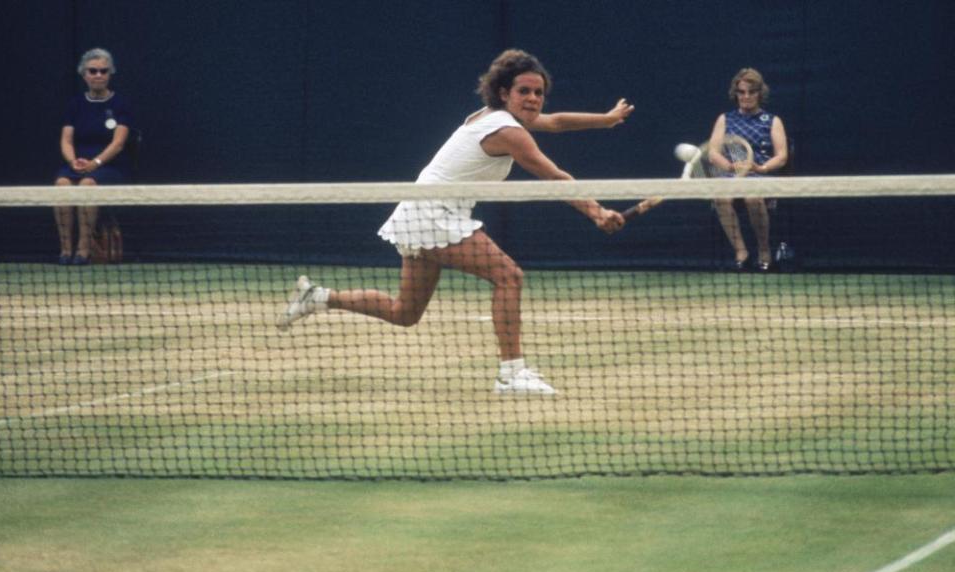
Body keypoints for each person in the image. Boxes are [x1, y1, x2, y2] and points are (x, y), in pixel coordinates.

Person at [277, 49, 632, 395]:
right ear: (504, 93)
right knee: (509, 277)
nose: (533, 99)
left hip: (420, 212)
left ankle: (318, 297)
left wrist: (606, 118)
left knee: (405, 313)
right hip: (433, 214)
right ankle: (511, 374)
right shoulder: (507, 130)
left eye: (538, 92)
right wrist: (596, 211)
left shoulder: (496, 117)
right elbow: (554, 177)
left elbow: (555, 122)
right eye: (524, 91)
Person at [54, 48, 132, 265]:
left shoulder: (120, 105)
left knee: (87, 185)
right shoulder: (75, 104)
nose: (98, 75)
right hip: (77, 164)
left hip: (109, 167)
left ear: (110, 74)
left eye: (103, 71)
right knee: (61, 185)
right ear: (84, 74)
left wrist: (95, 163)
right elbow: (66, 140)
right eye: (93, 71)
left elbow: (118, 144)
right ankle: (65, 250)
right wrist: (73, 161)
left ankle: (84, 250)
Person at [707, 67, 788, 271]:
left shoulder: (772, 121)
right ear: (736, 93)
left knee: (753, 197)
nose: (746, 96)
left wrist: (761, 168)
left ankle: (763, 250)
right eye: (742, 92)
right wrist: (729, 166)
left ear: (760, 93)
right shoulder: (725, 119)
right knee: (720, 198)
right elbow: (713, 153)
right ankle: (741, 252)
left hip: (759, 175)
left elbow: (782, 156)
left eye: (751, 92)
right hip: (731, 176)